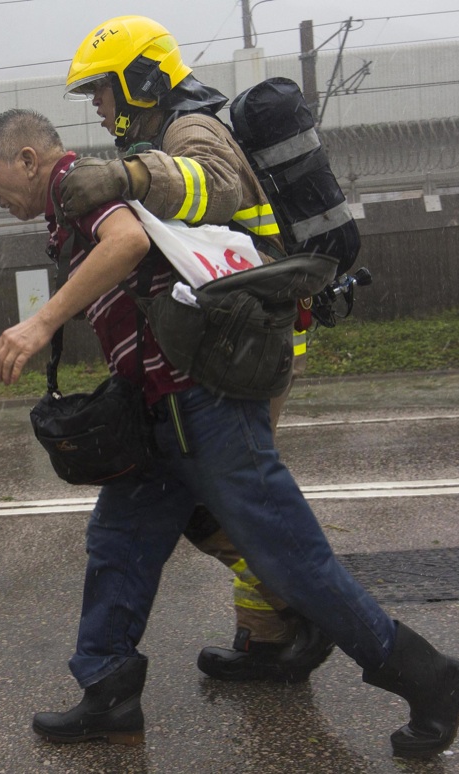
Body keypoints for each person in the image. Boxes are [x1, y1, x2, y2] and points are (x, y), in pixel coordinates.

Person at [0, 108, 459, 759]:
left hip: (204, 403)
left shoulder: (76, 184)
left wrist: (40, 322)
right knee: (118, 544)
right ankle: (107, 692)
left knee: (288, 555)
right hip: (157, 409)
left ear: (27, 159)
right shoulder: (66, 208)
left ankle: (431, 678)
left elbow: (127, 243)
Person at [58, 14, 330, 682]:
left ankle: (308, 610)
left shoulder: (190, 129)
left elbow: (216, 185)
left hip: (252, 339)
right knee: (224, 496)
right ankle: (269, 635)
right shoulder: (163, 132)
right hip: (238, 335)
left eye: (102, 90)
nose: (97, 106)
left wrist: (128, 177)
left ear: (141, 80)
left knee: (232, 497)